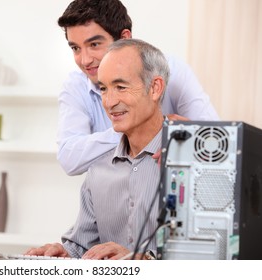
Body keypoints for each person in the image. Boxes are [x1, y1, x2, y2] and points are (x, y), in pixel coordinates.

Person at [26, 38, 169, 260]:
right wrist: (63, 254)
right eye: (103, 89)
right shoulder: (99, 169)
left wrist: (144, 259)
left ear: (155, 88)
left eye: (120, 87)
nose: (109, 102)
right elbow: (82, 248)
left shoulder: (194, 165)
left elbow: (216, 256)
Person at [56, 0, 219, 176]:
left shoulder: (174, 73)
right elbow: (69, 159)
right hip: (113, 194)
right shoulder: (76, 86)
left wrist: (191, 137)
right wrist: (142, 130)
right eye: (75, 48)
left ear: (124, 38)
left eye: (94, 44)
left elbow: (216, 142)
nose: (85, 60)